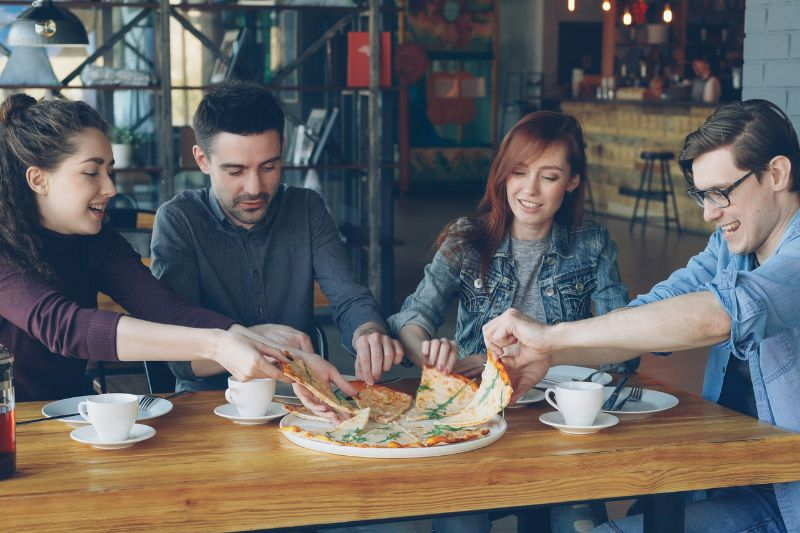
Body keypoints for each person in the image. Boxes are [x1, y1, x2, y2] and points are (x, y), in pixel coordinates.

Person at [484, 99, 800, 533]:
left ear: (778, 174)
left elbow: (717, 317)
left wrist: (553, 335)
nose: (709, 213)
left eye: (721, 193)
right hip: (729, 477)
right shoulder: (729, 247)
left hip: (786, 500)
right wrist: (550, 354)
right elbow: (646, 318)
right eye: (702, 195)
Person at [0, 94, 354, 403]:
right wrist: (217, 345)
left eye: (110, 171)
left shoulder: (95, 239)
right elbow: (66, 329)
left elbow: (166, 308)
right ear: (38, 179)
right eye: (92, 173)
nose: (110, 188)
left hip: (62, 413)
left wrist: (275, 351)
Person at [388, 111, 634, 533]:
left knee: (574, 523)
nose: (530, 190)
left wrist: (549, 356)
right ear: (502, 173)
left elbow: (623, 350)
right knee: (460, 523)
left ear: (572, 181)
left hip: (561, 421)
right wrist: (429, 355)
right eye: (519, 171)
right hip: (480, 417)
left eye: (550, 176)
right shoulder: (466, 239)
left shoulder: (592, 245)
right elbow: (410, 319)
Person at [150, 81, 403, 411]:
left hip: (302, 400)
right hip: (207, 405)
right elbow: (182, 359)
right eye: (235, 171)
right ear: (202, 160)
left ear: (282, 147)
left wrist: (368, 331)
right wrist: (255, 339)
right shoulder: (179, 221)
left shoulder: (306, 208)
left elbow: (348, 297)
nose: (254, 187)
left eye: (268, 167)